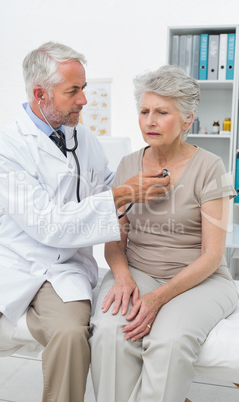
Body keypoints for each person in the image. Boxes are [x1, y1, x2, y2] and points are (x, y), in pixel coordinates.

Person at [0, 43, 170, 402]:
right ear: (40, 94)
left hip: (64, 270)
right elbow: (48, 224)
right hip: (10, 261)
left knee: (70, 336)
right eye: (73, 91)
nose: (83, 100)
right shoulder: (5, 148)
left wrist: (151, 189)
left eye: (84, 89)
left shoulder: (85, 140)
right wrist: (123, 194)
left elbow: (112, 194)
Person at [90, 65, 239, 402]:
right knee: (110, 333)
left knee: (169, 341)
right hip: (138, 272)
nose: (149, 121)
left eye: (162, 112)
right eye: (144, 111)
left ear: (187, 120)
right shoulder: (127, 165)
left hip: (201, 278)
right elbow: (114, 239)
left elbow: (212, 256)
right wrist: (123, 278)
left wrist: (157, 298)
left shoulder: (210, 167)